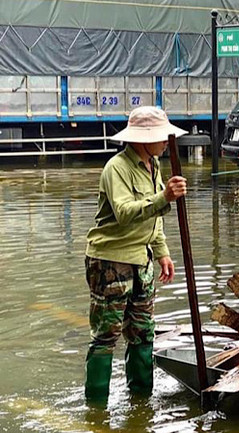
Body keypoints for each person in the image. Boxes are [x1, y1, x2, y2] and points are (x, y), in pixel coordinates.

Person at [84, 106, 188, 403]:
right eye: (160, 136)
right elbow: (126, 213)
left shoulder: (152, 165)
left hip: (141, 260)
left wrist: (162, 252)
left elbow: (153, 220)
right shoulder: (116, 168)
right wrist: (164, 196)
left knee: (143, 333)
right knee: (106, 337)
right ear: (143, 138)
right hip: (110, 261)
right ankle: (96, 411)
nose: (167, 141)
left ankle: (141, 404)